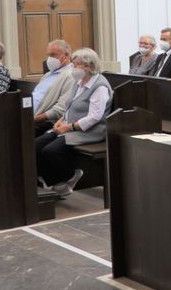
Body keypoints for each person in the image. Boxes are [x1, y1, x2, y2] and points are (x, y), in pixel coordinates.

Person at [35, 48, 113, 196]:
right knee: (36, 146)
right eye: (73, 63)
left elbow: (94, 117)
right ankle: (58, 182)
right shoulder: (78, 81)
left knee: (51, 151)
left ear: (89, 67)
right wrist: (60, 121)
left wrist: (69, 127)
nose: (73, 67)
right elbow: (69, 106)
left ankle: (68, 176)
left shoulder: (100, 86)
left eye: (76, 65)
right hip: (68, 126)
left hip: (89, 131)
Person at [32, 40, 76, 135]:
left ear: (67, 54)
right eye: (48, 55)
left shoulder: (71, 76)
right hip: (30, 116)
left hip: (44, 121)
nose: (49, 59)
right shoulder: (48, 74)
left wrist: (33, 119)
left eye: (53, 55)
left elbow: (61, 109)